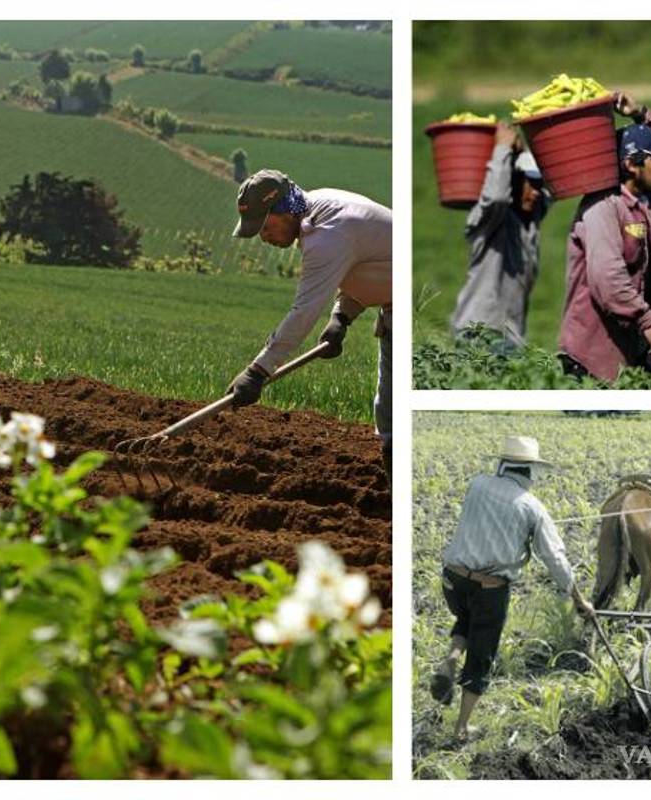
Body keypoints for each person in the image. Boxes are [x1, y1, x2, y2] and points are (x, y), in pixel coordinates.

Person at [430, 435, 594, 739]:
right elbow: (555, 559)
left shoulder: (477, 484)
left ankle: (451, 659)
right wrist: (580, 599)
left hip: (452, 580)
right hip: (489, 588)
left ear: (503, 464)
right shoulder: (533, 508)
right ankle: (462, 728)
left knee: (466, 617)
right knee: (481, 653)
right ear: (530, 471)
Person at [228, 169, 393, 466]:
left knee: (399, 422)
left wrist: (258, 371)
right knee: (391, 417)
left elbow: (304, 311)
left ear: (284, 211)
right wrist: (342, 315)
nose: (263, 238)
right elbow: (375, 265)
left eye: (265, 227)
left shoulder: (326, 234)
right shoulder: (319, 205)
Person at [558, 92, 651, 382]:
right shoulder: (603, 208)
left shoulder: (645, 202)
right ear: (633, 165)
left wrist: (640, 113)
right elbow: (607, 276)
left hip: (629, 357)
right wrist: (647, 320)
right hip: (591, 362)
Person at [449, 121, 549, 342]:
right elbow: (496, 197)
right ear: (513, 181)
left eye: (538, 185)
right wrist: (502, 149)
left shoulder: (530, 223)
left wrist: (523, 151)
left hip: (510, 337)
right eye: (529, 184)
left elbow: (553, 189)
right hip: (479, 332)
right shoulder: (492, 221)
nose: (536, 193)